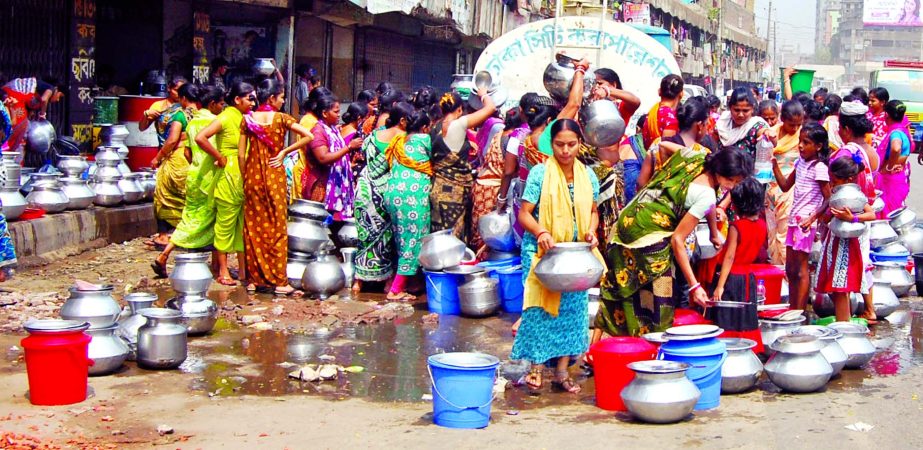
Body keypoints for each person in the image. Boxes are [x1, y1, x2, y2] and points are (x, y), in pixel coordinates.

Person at [595, 148, 751, 337]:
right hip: (648, 237)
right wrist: (695, 286)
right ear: (719, 171)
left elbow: (664, 146)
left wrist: (713, 232)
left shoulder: (695, 157)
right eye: (730, 180)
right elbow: (678, 239)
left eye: (737, 182)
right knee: (659, 300)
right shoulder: (706, 194)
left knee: (622, 287)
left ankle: (598, 349)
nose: (732, 186)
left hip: (628, 221)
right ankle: (654, 351)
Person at [511, 119, 603, 394]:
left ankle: (562, 370)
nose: (565, 151)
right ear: (551, 145)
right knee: (539, 310)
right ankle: (536, 368)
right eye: (560, 145)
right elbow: (524, 213)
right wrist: (541, 232)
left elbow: (594, 211)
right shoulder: (540, 174)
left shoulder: (588, 176)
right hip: (542, 253)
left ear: (580, 144)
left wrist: (591, 231)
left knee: (573, 313)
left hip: (574, 255)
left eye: (571, 144)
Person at [241, 79, 314, 295]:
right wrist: (284, 152)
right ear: (272, 98)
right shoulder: (282, 119)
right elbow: (308, 136)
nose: (283, 101)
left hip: (252, 177)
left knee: (253, 227)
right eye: (282, 97)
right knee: (277, 225)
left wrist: (245, 177)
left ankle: (255, 280)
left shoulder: (247, 120)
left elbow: (240, 154)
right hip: (274, 175)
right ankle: (279, 281)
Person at [152, 85, 226, 277]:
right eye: (220, 103)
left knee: (189, 218)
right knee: (216, 221)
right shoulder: (215, 122)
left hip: (194, 176)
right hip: (210, 177)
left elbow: (187, 152)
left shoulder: (192, 123)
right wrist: (219, 158)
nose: (222, 107)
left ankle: (165, 253)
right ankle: (218, 268)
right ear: (212, 104)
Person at [194, 81, 256, 286]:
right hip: (229, 176)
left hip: (244, 176)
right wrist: (219, 156)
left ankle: (244, 271)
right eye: (250, 98)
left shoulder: (246, 118)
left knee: (241, 225)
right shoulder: (227, 116)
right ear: (237, 99)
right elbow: (201, 138)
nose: (253, 102)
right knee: (225, 225)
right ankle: (223, 271)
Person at [770, 123, 830, 311]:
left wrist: (813, 218)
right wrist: (774, 166)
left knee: (801, 268)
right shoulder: (801, 163)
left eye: (806, 142)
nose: (801, 146)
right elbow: (786, 186)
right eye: (800, 142)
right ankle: (793, 307)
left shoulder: (819, 167)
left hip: (805, 223)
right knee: (790, 268)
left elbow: (829, 198)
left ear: (818, 146)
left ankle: (800, 310)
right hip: (794, 220)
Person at [353, 102, 413, 291]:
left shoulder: (373, 134)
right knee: (386, 237)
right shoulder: (402, 138)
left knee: (364, 236)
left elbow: (363, 155)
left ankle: (358, 282)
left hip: (363, 188)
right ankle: (388, 282)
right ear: (402, 121)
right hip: (382, 192)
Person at [816, 156, 876, 322]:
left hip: (847, 244)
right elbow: (827, 218)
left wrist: (852, 219)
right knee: (835, 287)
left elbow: (871, 214)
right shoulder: (837, 196)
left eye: (834, 180)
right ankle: (845, 320)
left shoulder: (856, 196)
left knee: (841, 286)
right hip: (833, 243)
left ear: (849, 179)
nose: (832, 184)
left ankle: (844, 324)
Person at [708, 178, 767, 347]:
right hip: (748, 278)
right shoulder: (762, 225)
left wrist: (720, 285)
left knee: (727, 317)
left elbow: (730, 257)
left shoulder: (737, 226)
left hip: (732, 277)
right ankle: (749, 347)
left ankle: (726, 346)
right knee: (746, 316)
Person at [429, 89, 495, 239]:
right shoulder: (458, 124)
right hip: (453, 191)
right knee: (452, 237)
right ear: (459, 109)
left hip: (437, 187)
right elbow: (490, 108)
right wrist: (483, 94)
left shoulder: (434, 127)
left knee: (439, 235)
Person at [835, 100, 879, 323]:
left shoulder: (847, 153)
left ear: (846, 129)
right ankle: (869, 308)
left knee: (844, 268)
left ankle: (845, 320)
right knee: (862, 262)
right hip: (865, 215)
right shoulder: (870, 151)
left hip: (849, 216)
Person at [383, 110, 433, 301]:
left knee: (401, 240)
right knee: (414, 240)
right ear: (424, 128)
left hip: (393, 192)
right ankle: (396, 289)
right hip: (413, 196)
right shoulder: (424, 140)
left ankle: (410, 283)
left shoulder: (399, 140)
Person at [149, 82, 196, 252]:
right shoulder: (202, 115)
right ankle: (187, 234)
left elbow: (171, 140)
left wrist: (157, 158)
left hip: (177, 159)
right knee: (187, 198)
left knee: (162, 197)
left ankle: (163, 236)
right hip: (193, 160)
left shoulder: (180, 116)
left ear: (183, 98)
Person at [306, 95, 363, 221]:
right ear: (324, 113)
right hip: (322, 185)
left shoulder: (332, 129)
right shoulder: (318, 131)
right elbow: (323, 158)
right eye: (336, 112)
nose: (339, 115)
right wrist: (349, 147)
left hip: (335, 185)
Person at [764, 100, 805, 265]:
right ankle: (775, 270)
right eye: (791, 124)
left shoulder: (803, 137)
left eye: (798, 124)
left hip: (790, 190)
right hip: (770, 189)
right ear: (783, 119)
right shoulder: (770, 134)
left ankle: (785, 273)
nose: (795, 129)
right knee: (771, 233)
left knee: (784, 232)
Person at [469, 111, 508, 250]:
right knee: (489, 231)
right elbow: (508, 172)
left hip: (481, 185)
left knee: (480, 230)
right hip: (493, 189)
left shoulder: (496, 135)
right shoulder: (508, 139)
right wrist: (502, 197)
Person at [1, 77, 64, 152]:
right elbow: (44, 99)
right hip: (13, 93)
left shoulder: (36, 92)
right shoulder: (51, 88)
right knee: (20, 125)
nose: (57, 100)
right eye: (59, 96)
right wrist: (42, 115)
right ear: (56, 90)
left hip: (13, 97)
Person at [876, 100, 912, 216]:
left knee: (887, 213)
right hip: (896, 178)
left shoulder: (895, 133)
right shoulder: (902, 131)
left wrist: (888, 167)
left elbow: (896, 149)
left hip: (890, 180)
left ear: (887, 115)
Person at [716, 87, 769, 158]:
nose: (740, 115)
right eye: (736, 110)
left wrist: (767, 132)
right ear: (730, 108)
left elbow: (763, 132)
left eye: (745, 111)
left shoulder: (756, 125)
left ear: (752, 109)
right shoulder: (723, 122)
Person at [641, 74, 683, 148]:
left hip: (647, 157)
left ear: (659, 92)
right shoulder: (671, 119)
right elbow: (665, 150)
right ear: (681, 94)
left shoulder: (653, 112)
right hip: (660, 159)